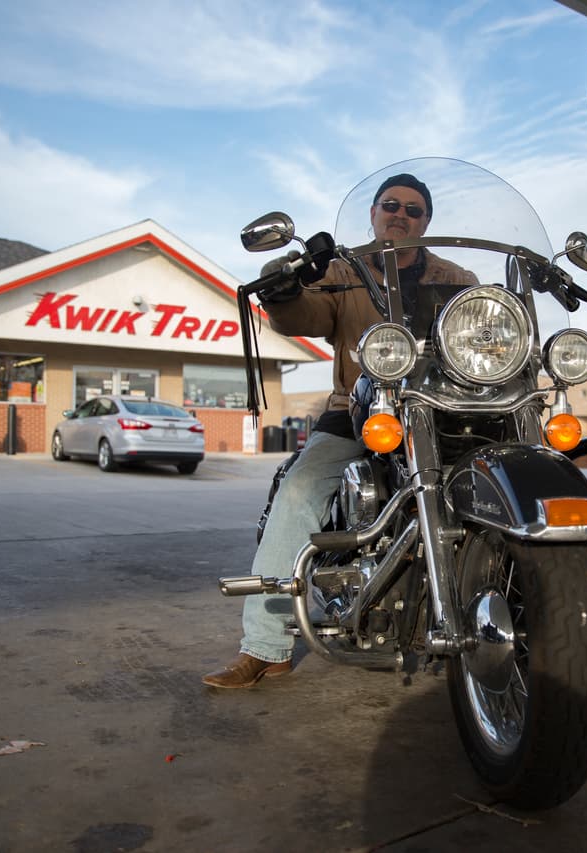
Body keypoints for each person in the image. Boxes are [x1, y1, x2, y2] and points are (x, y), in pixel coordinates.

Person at [203, 173, 478, 688]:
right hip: (361, 409)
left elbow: (482, 328)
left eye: (413, 209)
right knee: (303, 487)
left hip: (442, 410)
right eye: (390, 205)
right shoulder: (342, 269)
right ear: (373, 214)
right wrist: (284, 290)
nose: (400, 214)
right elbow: (304, 313)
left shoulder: (456, 276)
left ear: (426, 222)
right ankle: (265, 646)